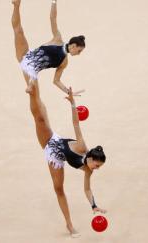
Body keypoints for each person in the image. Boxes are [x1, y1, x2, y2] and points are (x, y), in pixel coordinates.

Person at [26, 79, 106, 237]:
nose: (96, 169)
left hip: (55, 157)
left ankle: (69, 225)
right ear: (91, 159)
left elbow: (87, 189)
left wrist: (94, 206)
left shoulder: (88, 171)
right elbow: (76, 123)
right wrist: (72, 103)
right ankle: (32, 85)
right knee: (40, 116)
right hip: (51, 140)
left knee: (58, 189)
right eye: (97, 166)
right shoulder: (82, 146)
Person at [11, 0, 85, 95]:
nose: (79, 54)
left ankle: (30, 84)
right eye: (79, 51)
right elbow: (52, 18)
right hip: (26, 54)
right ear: (74, 46)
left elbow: (56, 81)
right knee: (19, 31)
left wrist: (69, 92)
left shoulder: (64, 62)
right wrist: (54, 1)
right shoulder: (58, 39)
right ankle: (16, 5)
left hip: (31, 71)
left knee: (33, 87)